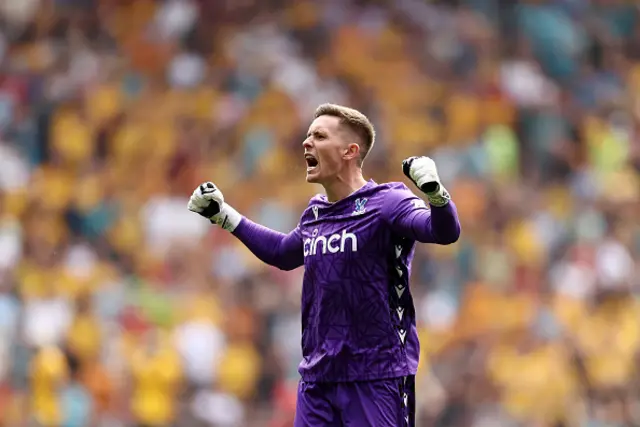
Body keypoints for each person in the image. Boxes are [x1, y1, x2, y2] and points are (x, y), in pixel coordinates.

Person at [188, 103, 461, 426]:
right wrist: (223, 215)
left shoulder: (388, 202)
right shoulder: (316, 212)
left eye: (319, 135)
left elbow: (443, 232)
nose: (307, 142)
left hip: (376, 376)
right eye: (307, 135)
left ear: (349, 150)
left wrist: (436, 195)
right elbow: (283, 253)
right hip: (318, 378)